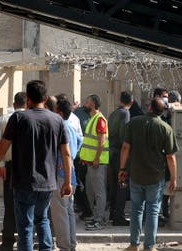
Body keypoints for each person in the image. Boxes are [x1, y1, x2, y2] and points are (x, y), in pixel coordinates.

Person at [0, 79, 73, 251]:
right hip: (47, 182)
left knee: (25, 226)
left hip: (23, 181)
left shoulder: (18, 117)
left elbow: (1, 149)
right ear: (46, 98)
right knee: (42, 220)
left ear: (28, 99)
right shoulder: (57, 120)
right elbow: (66, 153)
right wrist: (68, 182)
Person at [120, 97, 178, 251]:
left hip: (136, 174)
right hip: (155, 176)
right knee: (152, 211)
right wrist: (173, 178)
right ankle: (149, 247)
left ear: (150, 108)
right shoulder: (165, 128)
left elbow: (125, 147)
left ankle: (133, 245)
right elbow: (170, 157)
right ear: (162, 111)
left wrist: (122, 169)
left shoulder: (134, 123)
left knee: (136, 209)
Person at [0, 92, 27, 251]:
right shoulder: (33, 118)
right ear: (27, 104)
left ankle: (7, 241)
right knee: (28, 203)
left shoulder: (4, 119)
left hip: (10, 167)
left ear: (14, 104)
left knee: (9, 203)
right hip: (29, 167)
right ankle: (25, 240)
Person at [50, 97, 83, 251]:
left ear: (59, 112)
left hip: (62, 173)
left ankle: (64, 246)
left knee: (60, 213)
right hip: (71, 172)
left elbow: (65, 153)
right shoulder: (70, 126)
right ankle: (71, 244)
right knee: (68, 211)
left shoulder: (60, 127)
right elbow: (79, 143)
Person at [80, 95, 110, 230]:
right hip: (91, 163)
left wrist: (97, 158)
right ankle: (97, 217)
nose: (85, 103)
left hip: (97, 163)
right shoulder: (94, 119)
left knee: (99, 192)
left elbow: (101, 141)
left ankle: (100, 220)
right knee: (91, 191)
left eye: (87, 101)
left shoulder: (99, 120)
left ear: (93, 104)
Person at [108, 91, 133, 226]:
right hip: (119, 154)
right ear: (131, 102)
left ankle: (113, 212)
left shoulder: (113, 113)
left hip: (111, 153)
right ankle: (119, 216)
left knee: (114, 185)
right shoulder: (125, 113)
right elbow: (125, 137)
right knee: (122, 184)